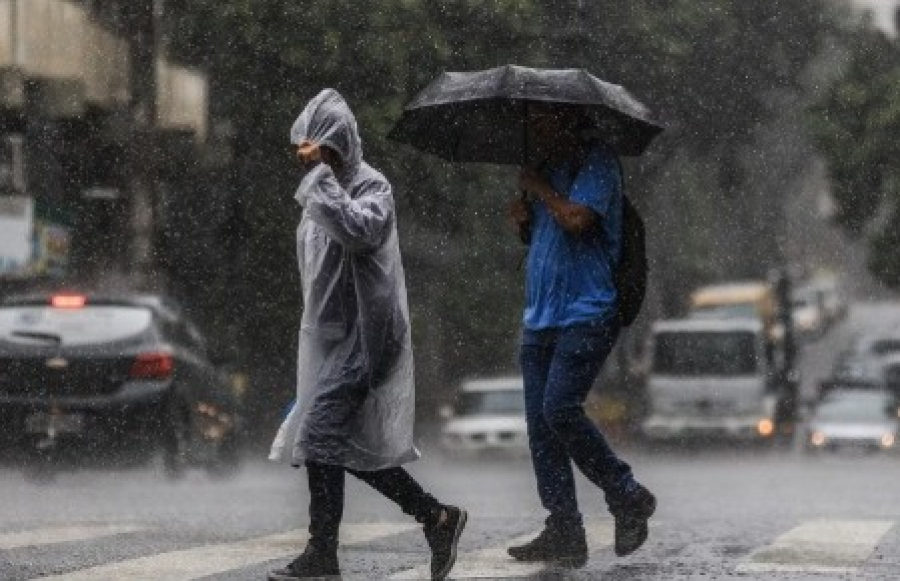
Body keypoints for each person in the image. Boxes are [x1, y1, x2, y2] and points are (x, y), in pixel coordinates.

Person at [268, 89, 466, 581]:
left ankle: (322, 554)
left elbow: (359, 232)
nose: (309, 160)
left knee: (319, 436)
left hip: (368, 338)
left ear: (341, 145)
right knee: (341, 444)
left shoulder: (371, 187)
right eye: (304, 152)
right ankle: (436, 517)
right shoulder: (319, 192)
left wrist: (320, 178)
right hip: (334, 338)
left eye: (320, 150)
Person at [506, 102, 656, 567]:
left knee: (560, 410)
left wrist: (539, 188)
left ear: (567, 118)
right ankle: (564, 529)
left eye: (540, 118)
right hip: (540, 316)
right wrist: (523, 219)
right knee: (540, 426)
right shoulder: (546, 167)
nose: (532, 127)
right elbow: (548, 236)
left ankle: (626, 492)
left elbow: (577, 221)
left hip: (588, 311)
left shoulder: (598, 163)